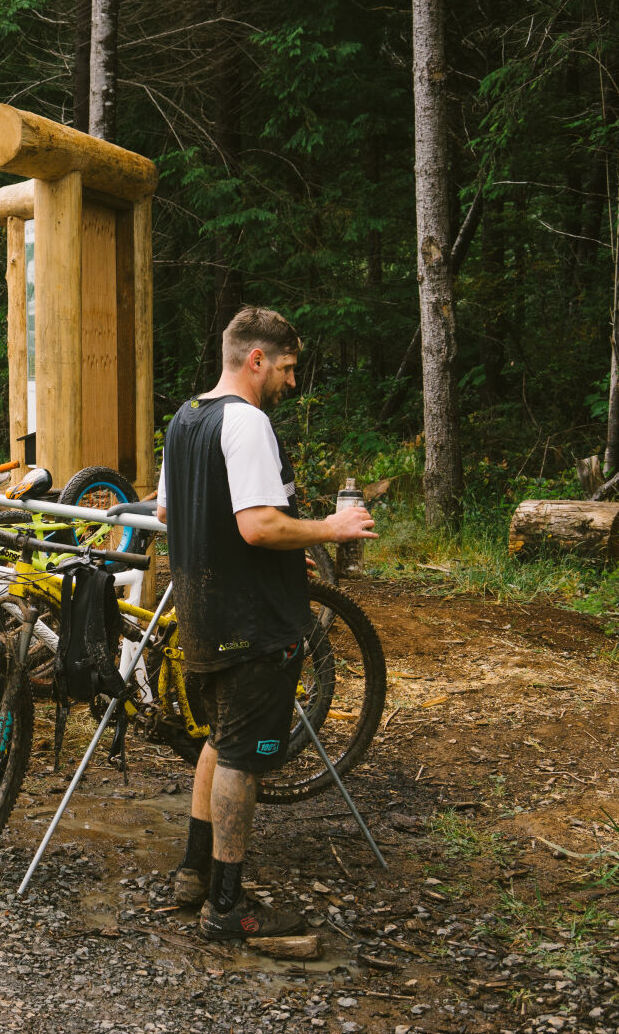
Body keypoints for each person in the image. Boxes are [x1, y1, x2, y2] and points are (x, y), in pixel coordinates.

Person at [155, 306, 376, 940]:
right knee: (245, 760)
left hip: (200, 614)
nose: (291, 381)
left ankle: (194, 878)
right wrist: (327, 528)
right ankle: (228, 908)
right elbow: (258, 524)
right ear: (256, 360)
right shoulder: (246, 422)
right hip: (251, 622)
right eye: (287, 367)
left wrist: (286, 539)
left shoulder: (186, 418)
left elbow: (176, 514)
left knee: (222, 741)